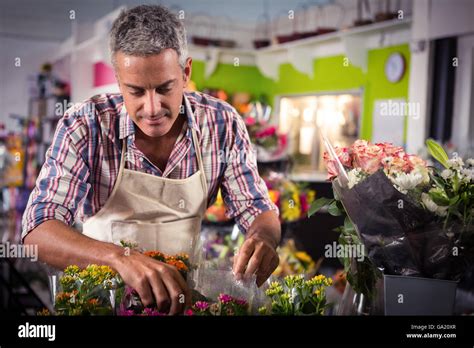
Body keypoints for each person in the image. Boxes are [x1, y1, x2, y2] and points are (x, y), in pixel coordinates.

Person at [22, 4, 280, 315]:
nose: (153, 107)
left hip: (185, 299)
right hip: (103, 302)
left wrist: (263, 236)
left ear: (185, 73)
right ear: (119, 82)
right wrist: (120, 259)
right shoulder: (85, 124)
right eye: (136, 92)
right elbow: (37, 229)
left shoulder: (221, 122)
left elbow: (257, 207)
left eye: (164, 88)